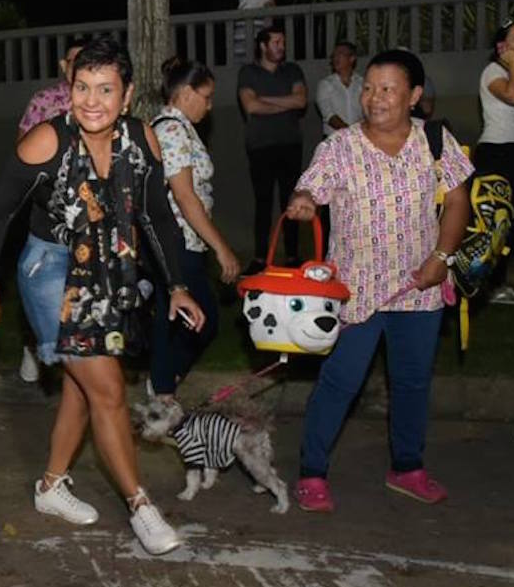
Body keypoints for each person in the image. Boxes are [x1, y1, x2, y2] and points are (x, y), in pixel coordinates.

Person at [0, 36, 205, 556]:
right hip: (50, 268)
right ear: (68, 87)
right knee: (109, 388)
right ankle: (141, 505)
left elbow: (156, 216)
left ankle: (51, 486)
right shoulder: (46, 141)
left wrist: (177, 285)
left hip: (109, 267)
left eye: (105, 89)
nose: (91, 100)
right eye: (82, 87)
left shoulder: (143, 140)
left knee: (83, 385)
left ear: (128, 93)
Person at [285, 49, 473, 513]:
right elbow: (310, 185)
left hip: (419, 286)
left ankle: (407, 466)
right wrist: (305, 200)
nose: (374, 97)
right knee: (340, 382)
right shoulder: (340, 146)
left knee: (411, 383)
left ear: (412, 96)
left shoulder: (434, 139)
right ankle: (311, 471)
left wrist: (442, 257)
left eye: (388, 89)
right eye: (369, 87)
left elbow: (458, 202)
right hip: (357, 293)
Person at [148, 57, 240, 400]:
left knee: (178, 323)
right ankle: (161, 389)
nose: (210, 104)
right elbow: (185, 196)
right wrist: (222, 247)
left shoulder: (180, 128)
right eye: (207, 96)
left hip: (184, 241)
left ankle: (162, 390)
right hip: (176, 240)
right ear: (186, 93)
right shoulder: (171, 130)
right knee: (199, 321)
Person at [12, 40, 84, 383]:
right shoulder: (44, 101)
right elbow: (23, 153)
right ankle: (34, 346)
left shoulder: (97, 100)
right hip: (49, 213)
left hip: (89, 217)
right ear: (62, 64)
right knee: (42, 285)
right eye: (74, 60)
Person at [238, 24, 307, 274]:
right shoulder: (248, 72)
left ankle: (292, 255)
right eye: (276, 42)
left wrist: (264, 99)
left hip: (290, 144)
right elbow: (251, 107)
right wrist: (284, 103)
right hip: (261, 147)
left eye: (283, 42)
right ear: (263, 46)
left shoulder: (292, 70)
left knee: (291, 200)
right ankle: (260, 258)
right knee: (263, 203)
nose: (281, 47)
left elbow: (301, 100)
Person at [475, 19, 514, 305]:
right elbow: (512, 98)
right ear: (502, 46)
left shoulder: (513, 74)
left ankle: (493, 279)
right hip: (497, 153)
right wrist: (511, 63)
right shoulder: (493, 71)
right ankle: (491, 283)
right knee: (506, 220)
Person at [315, 41, 363, 138]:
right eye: (334, 55)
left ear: (352, 58)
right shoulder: (325, 84)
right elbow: (329, 116)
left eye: (340, 54)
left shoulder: (362, 83)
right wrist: (351, 133)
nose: (336, 58)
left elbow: (367, 113)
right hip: (334, 138)